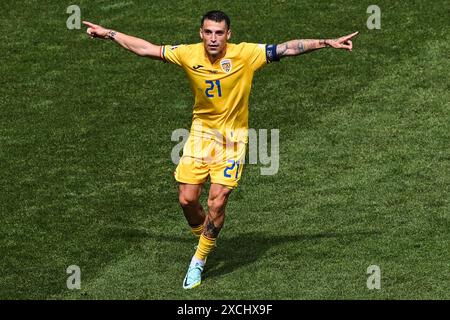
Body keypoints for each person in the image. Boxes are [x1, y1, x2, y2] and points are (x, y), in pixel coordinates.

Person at [83, 10, 358, 289]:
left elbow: (287, 48)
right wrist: (109, 34)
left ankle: (198, 261)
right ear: (200, 33)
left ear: (229, 34)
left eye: (219, 33)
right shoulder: (188, 54)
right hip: (200, 135)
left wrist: (327, 42)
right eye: (208, 32)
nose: (213, 38)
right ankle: (208, 236)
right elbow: (146, 49)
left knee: (217, 200)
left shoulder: (246, 54)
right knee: (187, 199)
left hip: (233, 140)